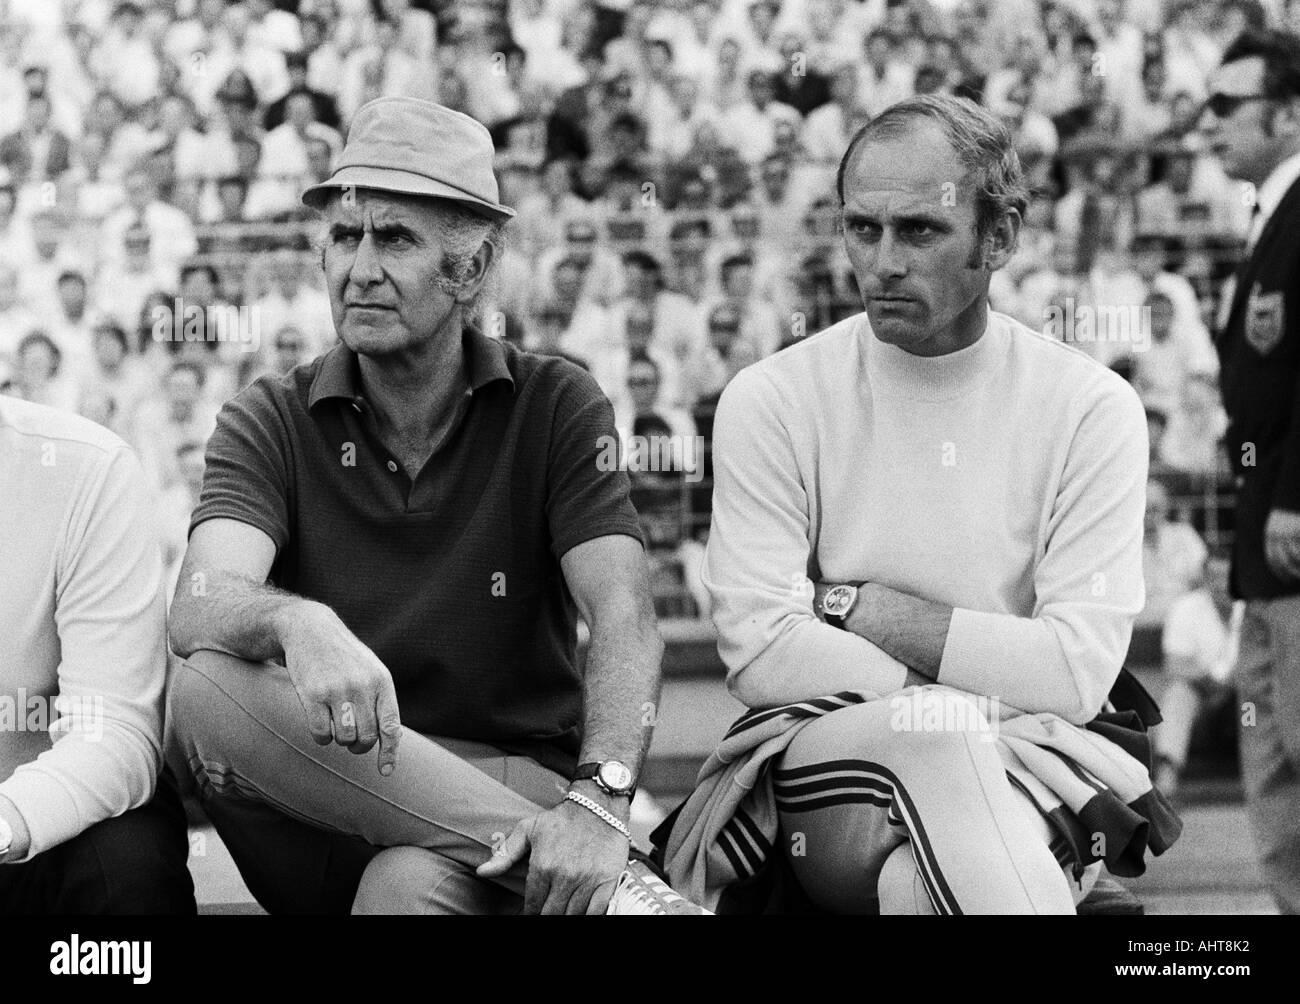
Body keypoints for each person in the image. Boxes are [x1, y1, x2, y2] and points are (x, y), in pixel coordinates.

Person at [166, 97, 708, 916]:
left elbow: (625, 613)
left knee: (404, 889)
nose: (360, 268)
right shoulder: (269, 413)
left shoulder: (555, 403)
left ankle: (585, 859)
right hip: (326, 794)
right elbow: (200, 601)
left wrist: (601, 797)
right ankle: (625, 891)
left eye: (395, 238)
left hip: (502, 775)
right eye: (345, 237)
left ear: (473, 268)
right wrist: (297, 624)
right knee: (203, 687)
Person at [660, 94, 1179, 914]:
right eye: (862, 229)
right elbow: (760, 650)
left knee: (918, 889)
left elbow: (1078, 671)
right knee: (940, 743)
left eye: (919, 231)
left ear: (999, 237)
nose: (882, 261)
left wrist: (859, 607)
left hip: (1025, 764)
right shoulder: (772, 397)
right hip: (833, 758)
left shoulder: (1090, 406)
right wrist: (971, 696)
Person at [0, 394, 195, 913]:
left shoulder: (86, 468)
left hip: (52, 811)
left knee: (127, 874)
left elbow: (113, 728)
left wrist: (8, 820)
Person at [1199, 28, 1300, 914]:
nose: (1209, 122)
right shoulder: (1268, 218)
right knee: (1269, 759)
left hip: (1295, 533)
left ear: (1289, 111)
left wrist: (1297, 496)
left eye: (1228, 104)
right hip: (1262, 542)